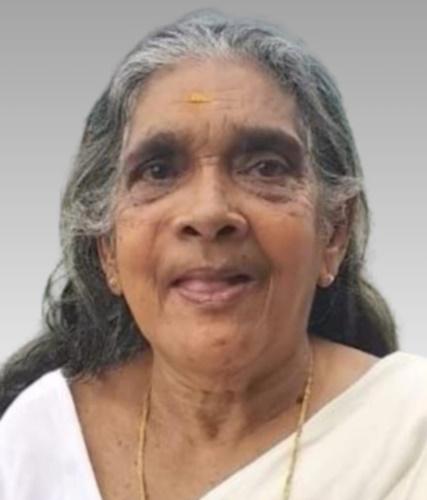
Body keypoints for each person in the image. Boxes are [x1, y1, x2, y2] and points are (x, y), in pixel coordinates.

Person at [0, 9, 426, 500]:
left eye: (266, 168)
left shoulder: (411, 434)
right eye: (158, 171)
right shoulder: (37, 442)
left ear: (334, 233)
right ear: (107, 248)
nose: (208, 212)